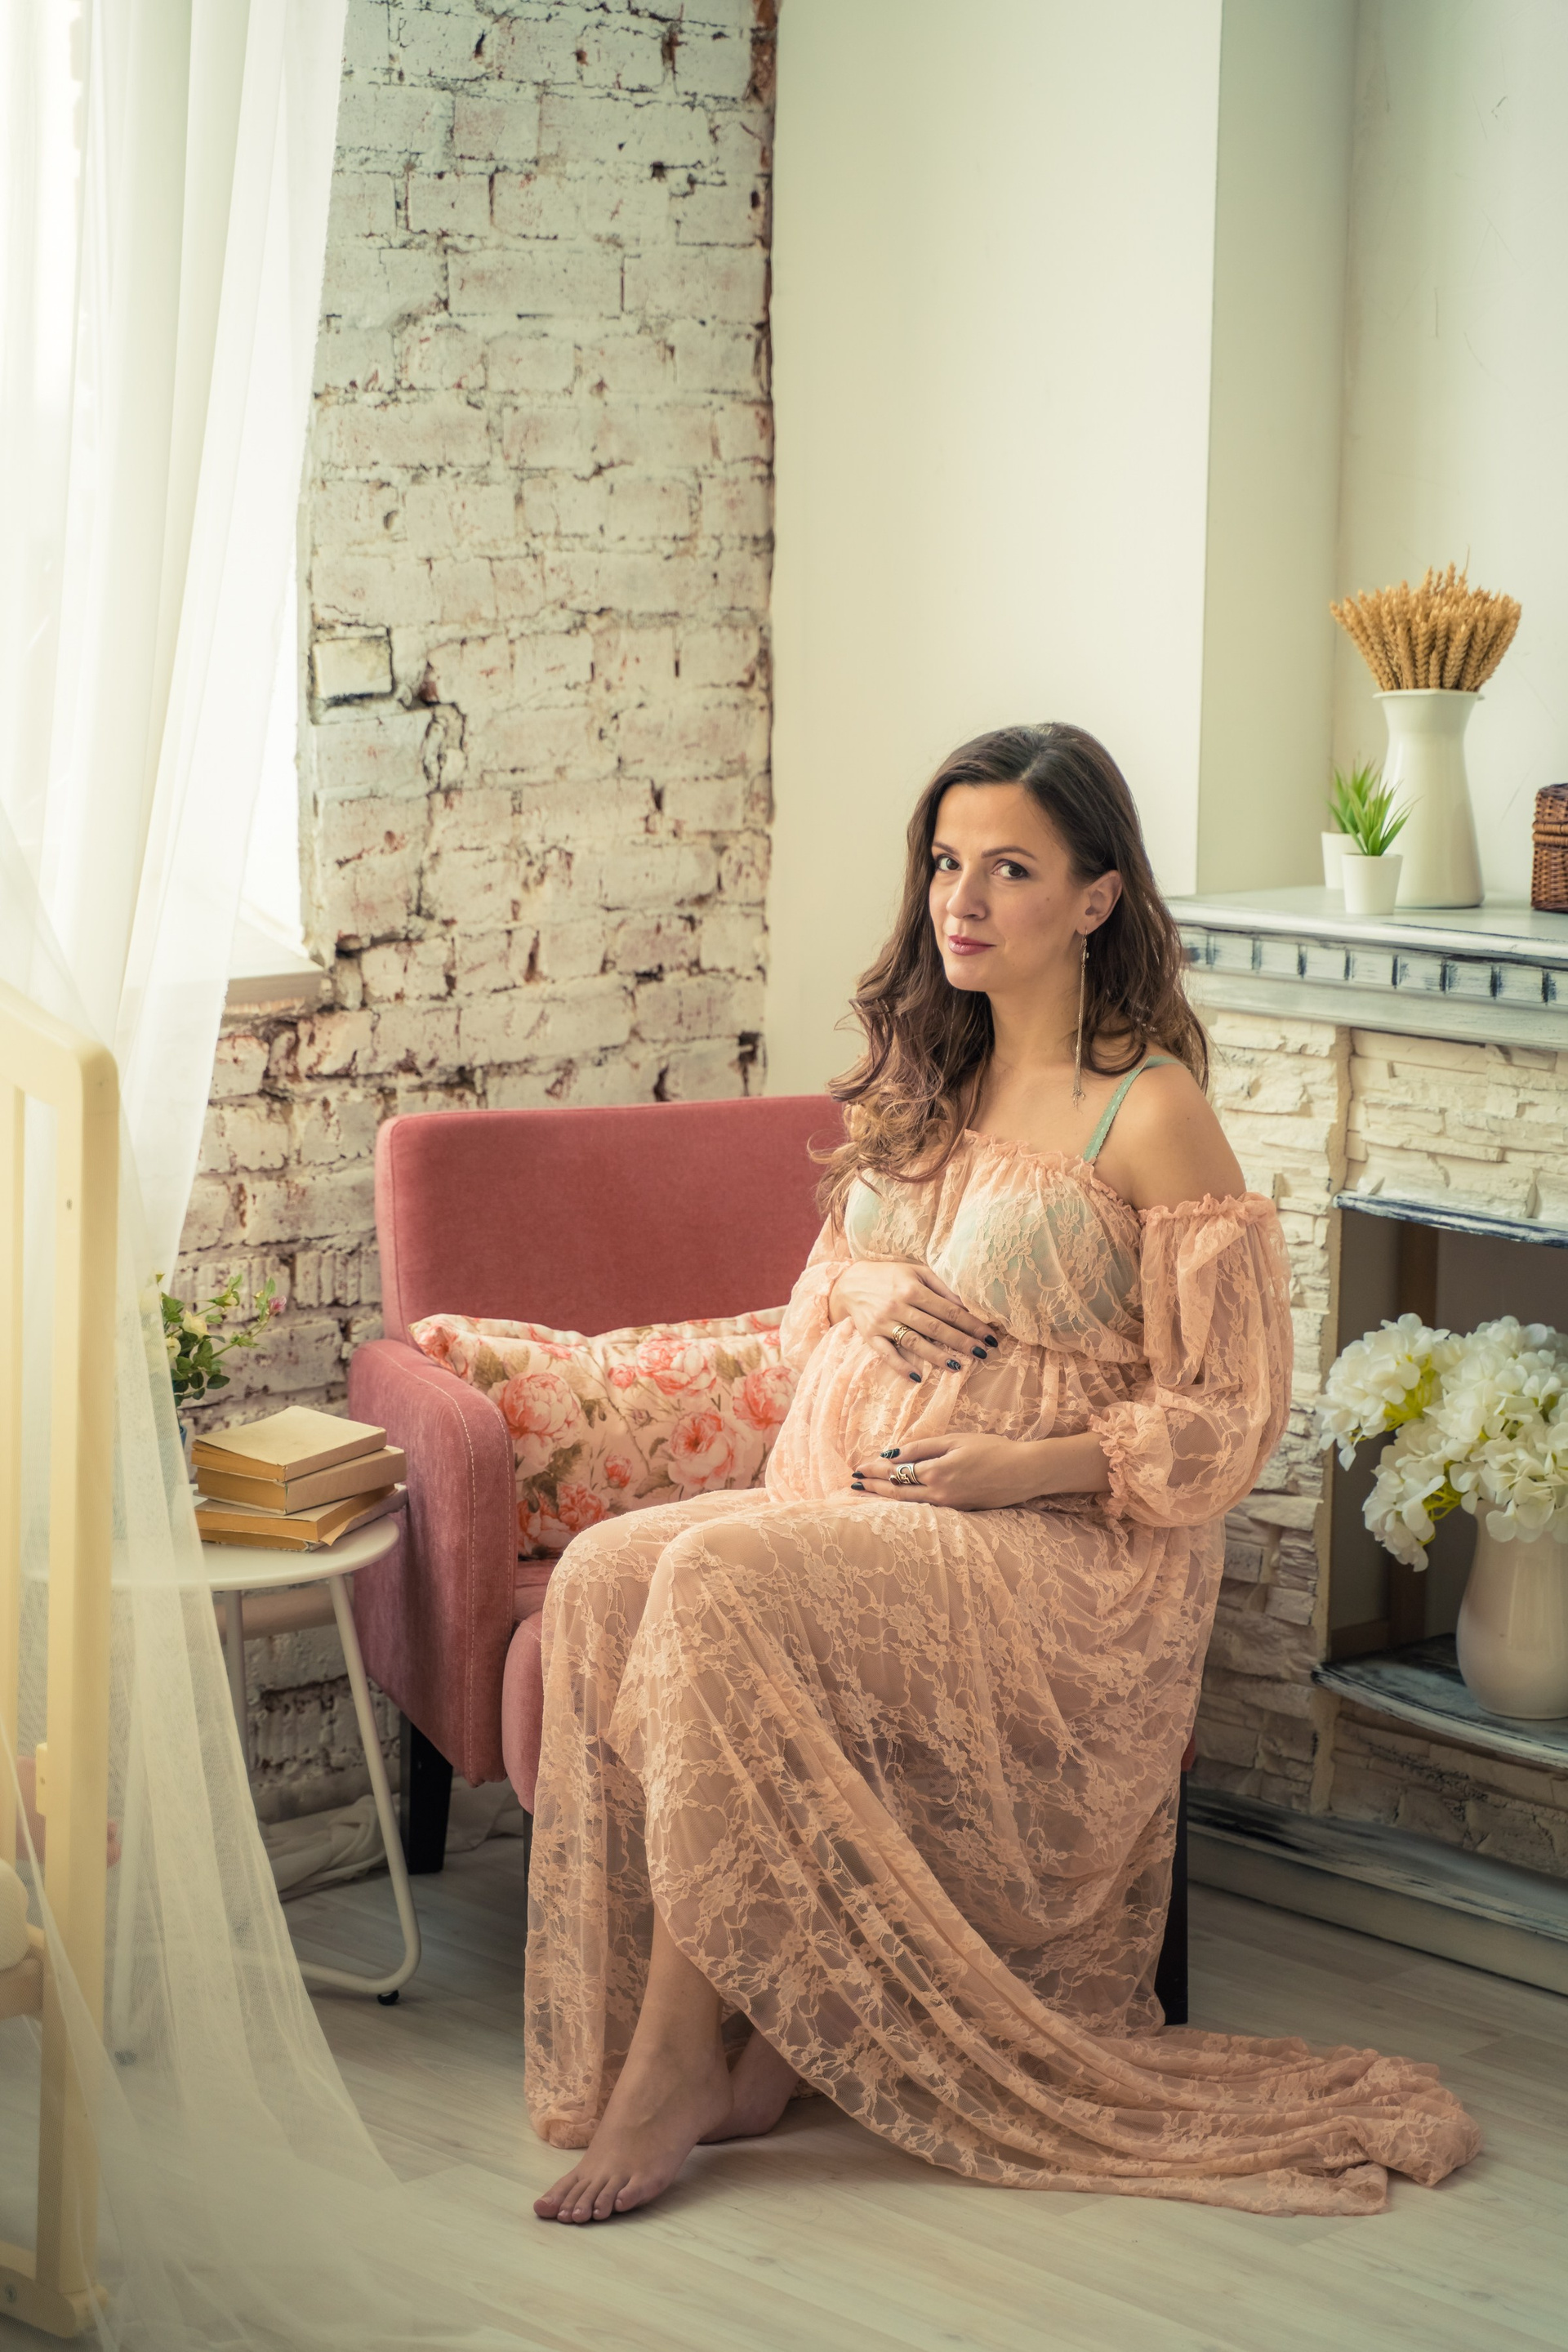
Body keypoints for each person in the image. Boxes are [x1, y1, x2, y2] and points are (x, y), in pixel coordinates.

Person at [526, 722, 1480, 2225]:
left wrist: (1022, 1468)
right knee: (604, 1571)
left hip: (1064, 1557)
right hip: (859, 1506)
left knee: (709, 1576)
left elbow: (1232, 1412)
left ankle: (678, 2068)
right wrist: (859, 1290)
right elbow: (810, 1300)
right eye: (946, 861)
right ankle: (757, 2026)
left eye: (1010, 869)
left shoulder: (1149, 1109)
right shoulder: (923, 1072)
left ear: (1097, 898)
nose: (960, 900)